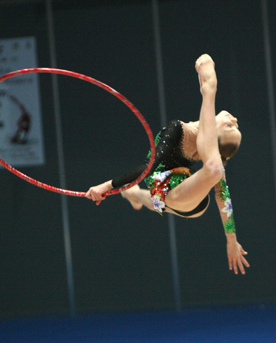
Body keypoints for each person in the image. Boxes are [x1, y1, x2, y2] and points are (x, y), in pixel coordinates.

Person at [85, 54, 250, 275]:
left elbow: (223, 197)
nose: (234, 120)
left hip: (189, 198)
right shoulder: (183, 135)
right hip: (170, 191)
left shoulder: (201, 149)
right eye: (235, 125)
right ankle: (133, 195)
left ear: (217, 135)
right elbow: (149, 170)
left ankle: (134, 194)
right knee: (153, 198)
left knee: (213, 170)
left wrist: (232, 240)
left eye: (231, 126)